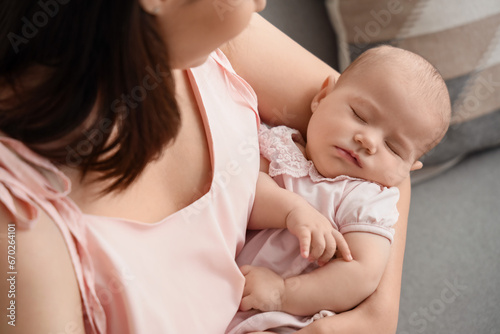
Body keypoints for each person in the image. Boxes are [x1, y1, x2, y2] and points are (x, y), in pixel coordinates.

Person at [0, 1, 412, 333]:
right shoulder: (21, 228)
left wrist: (374, 316)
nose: (261, 4)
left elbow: (390, 156)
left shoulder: (204, 30)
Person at [227, 45, 451, 334]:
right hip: (216, 283)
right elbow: (238, 191)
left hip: (285, 320)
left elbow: (361, 272)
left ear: (406, 170)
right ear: (322, 96)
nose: (368, 141)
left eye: (393, 148)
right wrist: (289, 210)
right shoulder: (277, 146)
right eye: (360, 115)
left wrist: (284, 293)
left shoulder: (367, 199)